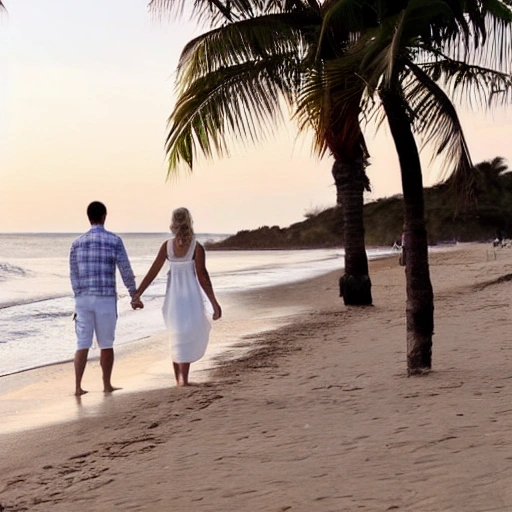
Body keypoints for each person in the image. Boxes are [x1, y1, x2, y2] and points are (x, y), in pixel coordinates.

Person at [131, 207, 222, 386]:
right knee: (187, 333)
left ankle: (178, 380)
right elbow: (203, 277)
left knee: (176, 333)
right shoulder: (196, 247)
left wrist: (138, 293)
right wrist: (214, 303)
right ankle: (184, 380)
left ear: (173, 223)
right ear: (189, 222)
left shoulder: (167, 246)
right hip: (190, 297)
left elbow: (153, 272)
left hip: (173, 298)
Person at [70, 201, 141, 396]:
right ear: (104, 216)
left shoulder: (76, 243)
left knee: (82, 343)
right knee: (107, 343)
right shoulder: (114, 240)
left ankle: (78, 387)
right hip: (105, 298)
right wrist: (134, 294)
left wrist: (79, 296)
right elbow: (125, 269)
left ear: (89, 217)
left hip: (83, 298)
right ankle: (106, 384)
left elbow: (73, 275)